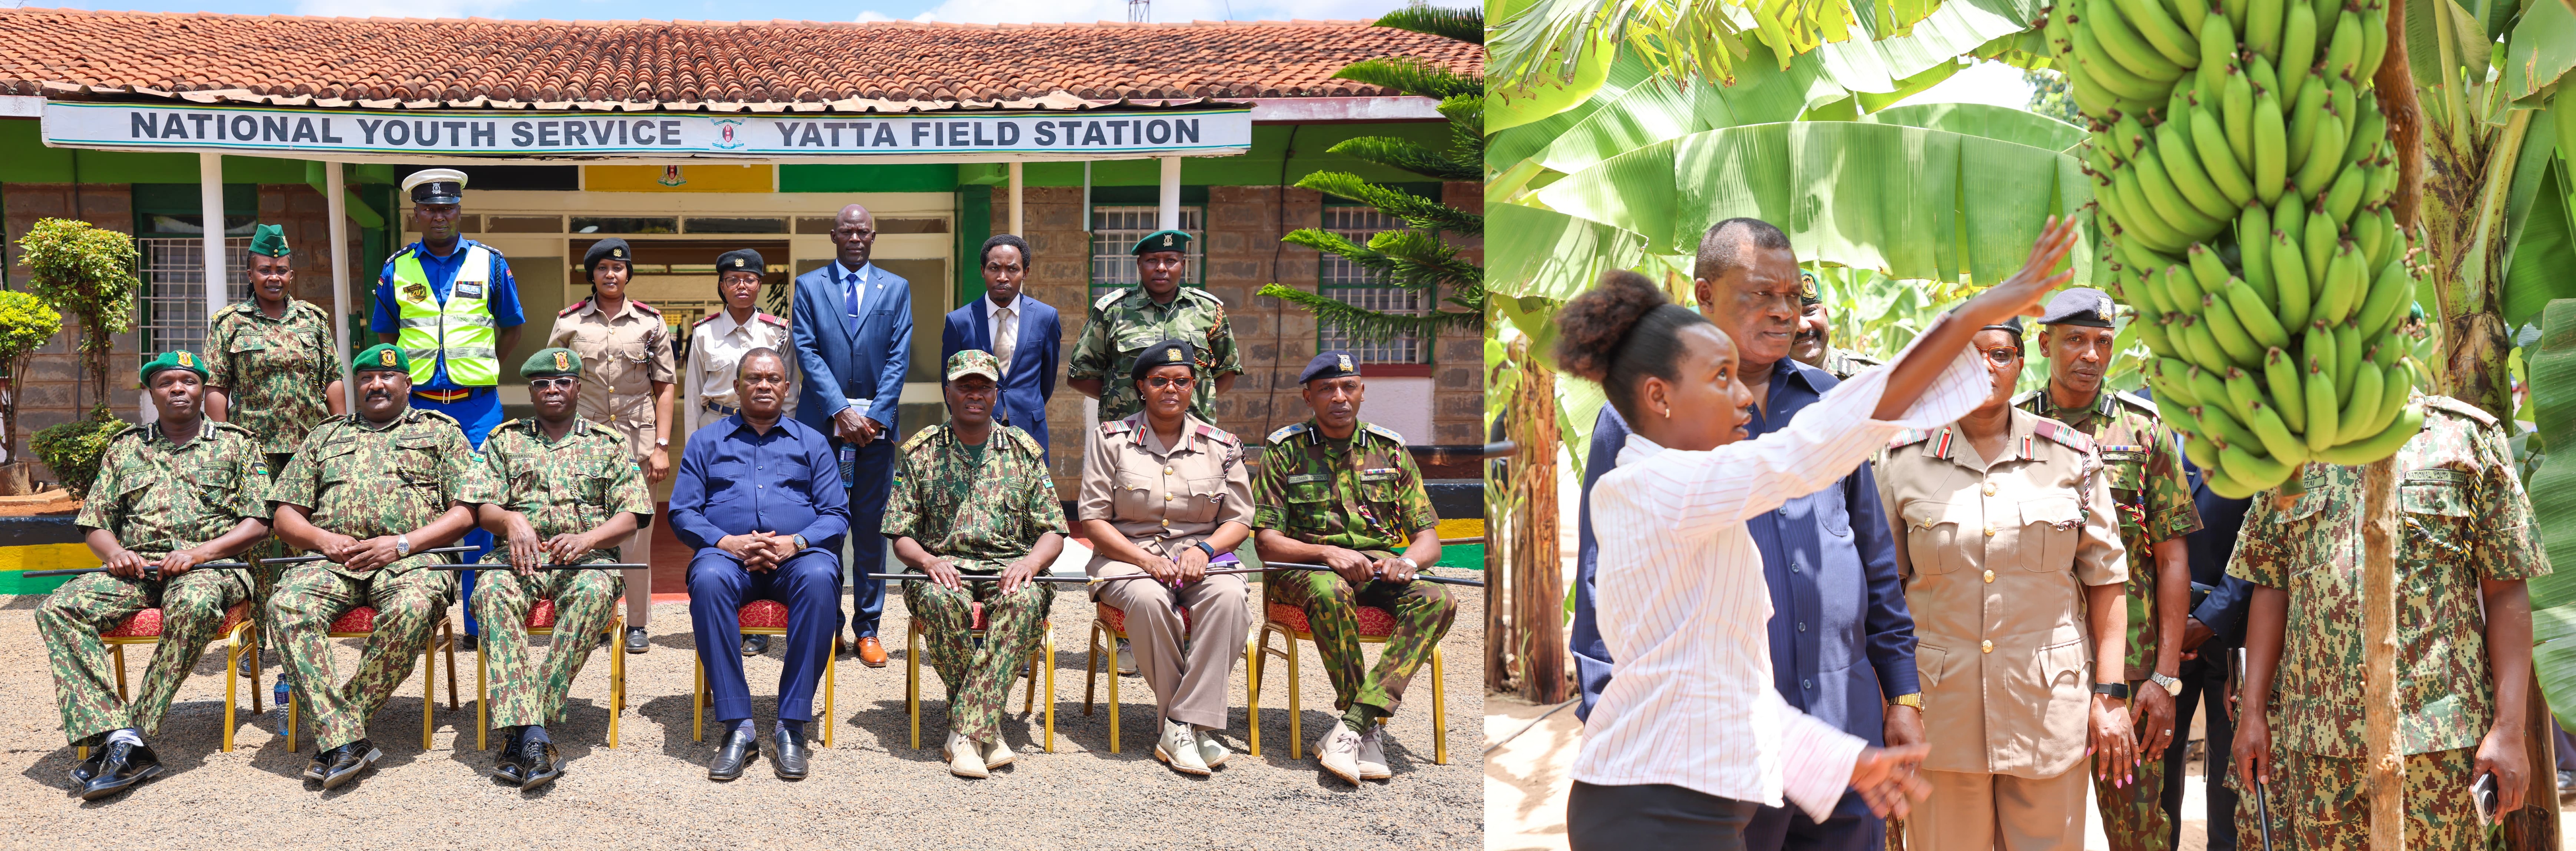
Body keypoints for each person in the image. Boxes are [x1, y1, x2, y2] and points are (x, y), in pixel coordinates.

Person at [1564, 213, 2081, 850]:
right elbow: (1805, 450)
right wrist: (1969, 317)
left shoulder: (1689, 488)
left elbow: (1723, 683)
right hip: (1658, 808)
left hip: (1698, 793)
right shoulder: (1656, 487)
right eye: (1719, 379)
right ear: (1658, 398)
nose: (1744, 400)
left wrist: (1847, 761)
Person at [1574, 218, 1921, 851]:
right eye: (1760, 294)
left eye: (1793, 295)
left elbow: (1874, 563)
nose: (1784, 312)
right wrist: (1608, 709)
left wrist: (1902, 693)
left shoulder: (1825, 400)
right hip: (1716, 745)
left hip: (1840, 727)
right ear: (1705, 296)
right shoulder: (1641, 421)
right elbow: (1603, 579)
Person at [2228, 392, 2549, 849]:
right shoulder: (2290, 447)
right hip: (2320, 743)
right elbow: (2270, 585)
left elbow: (2505, 590)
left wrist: (2508, 729)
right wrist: (2253, 713)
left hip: (2437, 742)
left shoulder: (2464, 437)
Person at [1877, 316, 2136, 850]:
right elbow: (1884, 593)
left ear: (2020, 363)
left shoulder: (2071, 456)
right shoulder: (1901, 460)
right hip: (1941, 715)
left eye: (1999, 354)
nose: (1985, 368)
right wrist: (1893, 701)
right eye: (1967, 357)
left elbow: (2107, 578)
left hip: (2047, 708)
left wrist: (2109, 694)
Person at [2009, 287, 2201, 849]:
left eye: (2102, 341)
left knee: (2138, 830)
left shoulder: (2142, 431)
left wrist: (2165, 678)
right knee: (2033, 826)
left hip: (2134, 673)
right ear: (2044, 344)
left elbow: (2171, 558)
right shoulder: (2012, 427)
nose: (2090, 354)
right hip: (2039, 667)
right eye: (2075, 340)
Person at [40, 351, 271, 800]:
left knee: (193, 602)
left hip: (213, 569)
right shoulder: (126, 447)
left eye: (188, 381)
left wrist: (201, 553)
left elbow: (259, 522)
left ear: (203, 390)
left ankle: (136, 734)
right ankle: (109, 731)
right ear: (152, 393)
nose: (178, 389)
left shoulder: (237, 443)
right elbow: (96, 522)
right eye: (167, 383)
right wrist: (115, 553)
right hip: (139, 569)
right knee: (59, 607)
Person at [266, 344, 491, 790]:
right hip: (333, 560)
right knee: (286, 606)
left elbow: (467, 511)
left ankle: (338, 730)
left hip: (412, 559)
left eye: (388, 377)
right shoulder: (326, 436)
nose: (376, 384)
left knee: (412, 608)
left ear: (408, 384)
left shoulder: (441, 432)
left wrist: (402, 544)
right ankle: (347, 738)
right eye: (367, 377)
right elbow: (284, 515)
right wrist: (324, 540)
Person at [1250, 350, 1451, 785]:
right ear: (1309, 397)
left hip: (1377, 572)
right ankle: (1363, 728)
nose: (1338, 397)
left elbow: (1429, 539)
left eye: (1348, 387)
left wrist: (1406, 561)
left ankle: (1357, 725)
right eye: (1326, 389)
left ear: (1361, 393)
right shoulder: (1285, 450)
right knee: (1330, 591)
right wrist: (1325, 554)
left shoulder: (1391, 449)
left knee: (1437, 597)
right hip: (1304, 571)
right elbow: (1266, 540)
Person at [468, 348, 653, 789]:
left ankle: (523, 730)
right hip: (518, 559)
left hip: (585, 558)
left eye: (563, 382)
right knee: (491, 591)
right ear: (531, 391)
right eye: (543, 384)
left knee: (594, 592)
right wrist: (511, 520)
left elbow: (636, 513)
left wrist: (589, 539)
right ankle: (534, 735)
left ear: (577, 388)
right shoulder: (504, 440)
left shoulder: (606, 444)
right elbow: (480, 507)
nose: (553, 389)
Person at [884, 349, 1067, 779]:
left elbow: (1054, 531)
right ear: (948, 392)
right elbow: (900, 534)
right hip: (942, 566)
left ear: (996, 394)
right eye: (964, 386)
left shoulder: (1023, 451)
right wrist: (928, 560)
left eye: (983, 386)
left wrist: (1031, 563)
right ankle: (987, 728)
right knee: (937, 597)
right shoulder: (921, 452)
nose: (974, 394)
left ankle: (964, 731)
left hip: (1009, 566)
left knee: (1023, 601)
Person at [669, 347, 848, 781]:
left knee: (822, 575)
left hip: (797, 560)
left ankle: (792, 724)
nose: (764, 385)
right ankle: (739, 726)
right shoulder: (705, 442)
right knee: (708, 578)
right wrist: (726, 541)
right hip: (728, 559)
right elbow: (682, 511)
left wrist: (797, 542)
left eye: (773, 379)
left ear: (787, 388)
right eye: (753, 378)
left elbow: (837, 513)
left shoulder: (813, 442)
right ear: (737, 387)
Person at [1077, 338, 1254, 777]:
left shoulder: (1222, 445)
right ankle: (1193, 728)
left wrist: (1206, 549)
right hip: (1126, 560)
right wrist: (1142, 559)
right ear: (1141, 386)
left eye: (1182, 380)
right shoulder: (1111, 440)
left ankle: (1180, 723)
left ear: (1194, 386)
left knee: (1230, 599)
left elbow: (1239, 519)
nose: (1171, 388)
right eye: (1160, 381)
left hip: (1201, 561)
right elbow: (1093, 520)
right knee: (1150, 601)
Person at [372, 167, 526, 651]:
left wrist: (484, 367)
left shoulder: (490, 263)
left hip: (478, 407)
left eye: (448, 207)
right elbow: (386, 334)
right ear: (415, 212)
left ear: (460, 210)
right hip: (417, 408)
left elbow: (511, 326)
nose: (439, 215)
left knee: (482, 510)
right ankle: (421, 611)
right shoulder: (397, 267)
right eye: (430, 208)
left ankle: (478, 622)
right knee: (421, 506)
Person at [203, 222, 345, 683]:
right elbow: (217, 386)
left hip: (308, 449)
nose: (274, 278)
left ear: (291, 273)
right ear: (250, 271)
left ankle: (301, 628)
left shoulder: (314, 320)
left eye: (282, 270)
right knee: (259, 546)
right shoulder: (230, 323)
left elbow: (333, 380)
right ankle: (258, 638)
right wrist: (222, 440)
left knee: (306, 539)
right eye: (265, 270)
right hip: (255, 452)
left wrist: (341, 434)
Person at [789, 203, 910, 669]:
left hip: (876, 434)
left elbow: (899, 355)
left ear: (873, 237)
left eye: (863, 231)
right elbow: (807, 350)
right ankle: (828, 624)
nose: (856, 237)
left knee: (870, 530)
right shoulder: (809, 286)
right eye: (848, 231)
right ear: (833, 235)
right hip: (823, 429)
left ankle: (868, 629)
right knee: (822, 529)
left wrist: (874, 416)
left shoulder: (895, 288)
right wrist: (841, 411)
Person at [546, 237, 676, 658]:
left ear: (628, 274)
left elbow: (665, 388)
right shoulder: (570, 323)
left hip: (638, 445)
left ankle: (637, 621)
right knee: (586, 531)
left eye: (618, 269)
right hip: (583, 446)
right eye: (602, 268)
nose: (611, 275)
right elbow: (553, 384)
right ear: (592, 275)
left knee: (637, 535)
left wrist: (661, 445)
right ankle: (597, 614)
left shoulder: (650, 323)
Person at [686, 247, 799, 658]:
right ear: (722, 285)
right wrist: (691, 441)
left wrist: (782, 435)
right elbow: (691, 393)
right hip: (716, 429)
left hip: (768, 433)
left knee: (763, 511)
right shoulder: (703, 333)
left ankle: (759, 628)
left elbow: (789, 391)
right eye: (732, 280)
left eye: (749, 279)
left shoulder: (778, 332)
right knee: (722, 515)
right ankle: (724, 611)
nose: (741, 286)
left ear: (760, 284)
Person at [2158, 429, 2255, 851]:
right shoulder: (2141, 421)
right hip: (2162, 633)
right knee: (2158, 759)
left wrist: (2207, 618)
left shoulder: (2249, 428)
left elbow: (2260, 541)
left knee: (2229, 775)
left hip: (2236, 628)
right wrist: (2172, 622)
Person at [1066, 228, 1242, 425]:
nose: (1161, 268)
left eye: (1170, 260)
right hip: (1129, 433)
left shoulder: (1208, 310)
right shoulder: (1113, 311)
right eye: (1152, 260)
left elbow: (1228, 371)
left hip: (1193, 431)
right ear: (1139, 265)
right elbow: (1080, 376)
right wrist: (1126, 400)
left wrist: (1190, 401)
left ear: (1183, 265)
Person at [941, 234, 1061, 462]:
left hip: (1029, 433)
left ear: (1025, 273)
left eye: (1012, 269)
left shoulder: (1046, 318)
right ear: (982, 271)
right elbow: (949, 383)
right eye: (994, 268)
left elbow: (1047, 380)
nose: (1003, 277)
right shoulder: (960, 321)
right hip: (973, 434)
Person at [1788, 271, 1880, 380]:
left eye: (1810, 311)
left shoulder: (1870, 375)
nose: (1803, 327)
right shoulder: (1765, 386)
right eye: (1788, 317)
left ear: (1826, 315)